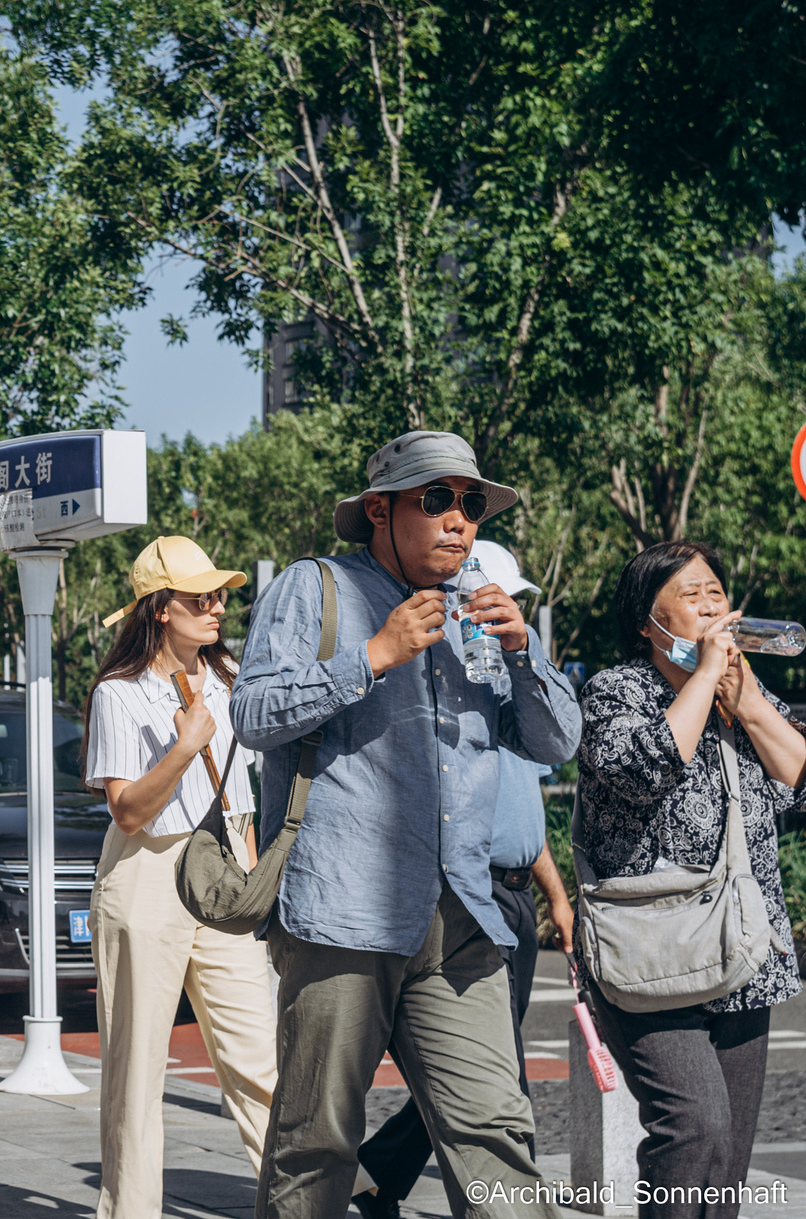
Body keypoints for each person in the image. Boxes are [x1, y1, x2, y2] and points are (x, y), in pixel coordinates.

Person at [231, 430, 580, 1218]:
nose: (459, 520)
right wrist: (373, 654)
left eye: (471, 504)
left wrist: (527, 654)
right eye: (438, 500)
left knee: (497, 1137)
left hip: (460, 918)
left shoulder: (484, 612)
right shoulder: (312, 587)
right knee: (315, 1143)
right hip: (343, 917)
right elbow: (252, 713)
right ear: (381, 511)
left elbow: (558, 743)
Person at [572, 540, 804, 1219]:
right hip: (650, 953)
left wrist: (750, 698)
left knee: (724, 1157)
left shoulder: (744, 698)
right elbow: (643, 769)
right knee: (693, 1127)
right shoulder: (616, 692)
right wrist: (703, 677)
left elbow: (801, 778)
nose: (710, 605)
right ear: (648, 621)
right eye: (691, 594)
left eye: (715, 592)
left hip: (743, 952)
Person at [353, 539, 577, 1218]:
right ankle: (406, 1173)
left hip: (511, 892)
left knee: (485, 1075)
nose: (501, 614)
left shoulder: (511, 690)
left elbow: (525, 812)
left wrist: (556, 892)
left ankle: (385, 1172)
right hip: (463, 895)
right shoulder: (445, 693)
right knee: (489, 1073)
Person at [81, 536, 278, 1218]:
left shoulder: (230, 680)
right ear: (160, 608)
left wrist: (251, 878)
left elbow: (241, 795)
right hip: (145, 875)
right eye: (201, 597)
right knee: (137, 1073)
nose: (217, 606)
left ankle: (300, 1202)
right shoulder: (119, 692)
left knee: (260, 1058)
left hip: (219, 868)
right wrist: (183, 747)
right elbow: (127, 810)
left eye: (220, 594)